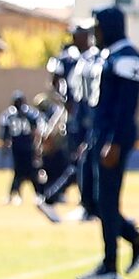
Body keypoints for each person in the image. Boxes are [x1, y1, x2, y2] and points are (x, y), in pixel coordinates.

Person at [76, 4, 139, 279]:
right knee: (90, 198)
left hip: (114, 136)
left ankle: (110, 265)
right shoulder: (108, 55)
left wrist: (114, 141)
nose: (94, 33)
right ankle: (136, 239)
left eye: (97, 27)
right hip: (98, 134)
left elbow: (126, 106)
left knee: (107, 200)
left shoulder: (129, 57)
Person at [39, 19, 98, 221]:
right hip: (76, 115)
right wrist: (65, 101)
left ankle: (87, 204)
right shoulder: (67, 58)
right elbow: (55, 82)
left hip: (90, 113)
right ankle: (54, 198)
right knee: (82, 159)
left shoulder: (93, 57)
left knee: (85, 160)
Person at [0, 92, 42, 203]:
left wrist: (4, 148)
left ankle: (28, 194)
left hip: (21, 147)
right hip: (24, 147)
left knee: (25, 172)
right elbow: (35, 131)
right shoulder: (29, 114)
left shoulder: (9, 115)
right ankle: (32, 194)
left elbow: (5, 135)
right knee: (24, 172)